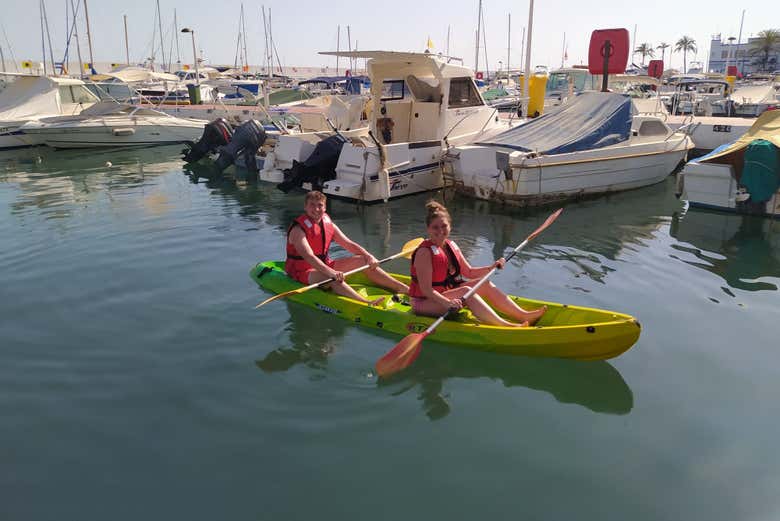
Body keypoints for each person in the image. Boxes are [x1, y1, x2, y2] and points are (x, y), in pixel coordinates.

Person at [409, 200, 546, 327]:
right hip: (424, 303)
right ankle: (505, 326)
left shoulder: (450, 245)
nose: (440, 231)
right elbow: (426, 290)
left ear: (450, 226)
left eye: (444, 226)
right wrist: (448, 303)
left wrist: (492, 267)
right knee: (466, 292)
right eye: (435, 227)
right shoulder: (424, 253)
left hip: (446, 293)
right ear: (428, 229)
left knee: (484, 283)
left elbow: (468, 272)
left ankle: (522, 315)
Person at [285, 191, 409, 306]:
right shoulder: (298, 230)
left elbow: (348, 244)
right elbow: (309, 256)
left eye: (320, 205)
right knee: (332, 278)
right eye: (312, 205)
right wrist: (331, 273)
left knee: (363, 261)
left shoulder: (328, 224)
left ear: (325, 207)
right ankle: (366, 302)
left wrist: (368, 256)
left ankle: (402, 288)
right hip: (303, 271)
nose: (317, 209)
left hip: (324, 265)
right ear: (305, 207)